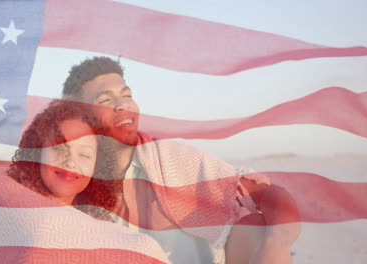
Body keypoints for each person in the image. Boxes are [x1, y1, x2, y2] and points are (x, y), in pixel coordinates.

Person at [62, 57, 301, 264]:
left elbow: (269, 194)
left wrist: (276, 243)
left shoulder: (169, 158)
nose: (123, 104)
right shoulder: (71, 180)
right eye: (105, 100)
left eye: (127, 95)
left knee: (253, 226)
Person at [0, 100, 171, 264]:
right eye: (60, 148)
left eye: (85, 155)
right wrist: (144, 247)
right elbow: (46, 228)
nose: (70, 162)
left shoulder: (99, 221)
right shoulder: (1, 191)